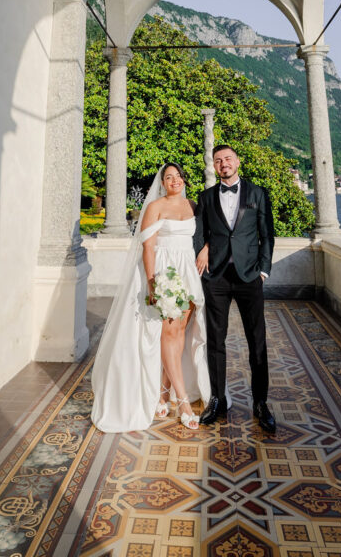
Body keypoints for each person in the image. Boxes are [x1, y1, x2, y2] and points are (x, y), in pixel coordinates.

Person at [91, 162, 211, 432]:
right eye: (169, 177)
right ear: (162, 183)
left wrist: (205, 248)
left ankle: (163, 391)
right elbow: (148, 247)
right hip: (165, 272)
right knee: (169, 334)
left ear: (184, 180)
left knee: (180, 332)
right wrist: (153, 282)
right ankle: (182, 402)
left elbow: (208, 233)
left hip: (188, 271)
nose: (174, 180)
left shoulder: (193, 205)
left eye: (178, 176)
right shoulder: (155, 207)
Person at [194, 144, 276, 433]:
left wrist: (263, 270)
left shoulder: (257, 193)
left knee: (257, 341)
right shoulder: (205, 198)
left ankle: (261, 403)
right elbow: (200, 232)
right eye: (218, 161)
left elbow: (267, 235)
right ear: (214, 167)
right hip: (215, 277)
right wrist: (201, 250)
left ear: (237, 161)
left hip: (249, 276)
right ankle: (217, 399)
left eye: (228, 158)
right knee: (216, 341)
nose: (224, 164)